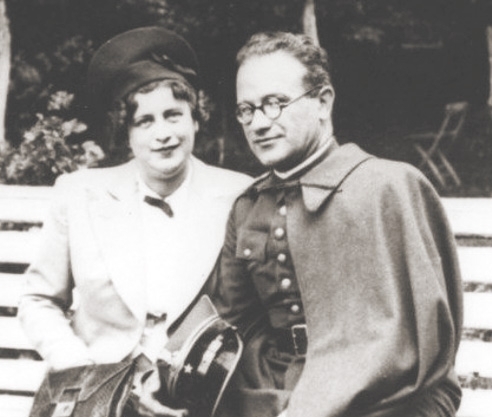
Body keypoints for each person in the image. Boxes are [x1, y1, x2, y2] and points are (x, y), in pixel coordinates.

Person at [213, 31, 463, 417]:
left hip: (380, 403)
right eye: (246, 109)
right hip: (272, 396)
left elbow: (433, 359)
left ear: (323, 102)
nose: (258, 123)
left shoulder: (389, 187)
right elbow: (232, 328)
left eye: (275, 104)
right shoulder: (249, 207)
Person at [18, 26, 251, 417]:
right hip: (93, 391)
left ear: (195, 120)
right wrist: (85, 373)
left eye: (173, 115)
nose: (163, 134)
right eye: (145, 121)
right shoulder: (79, 193)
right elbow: (38, 300)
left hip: (191, 395)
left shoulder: (237, 195)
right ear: (125, 132)